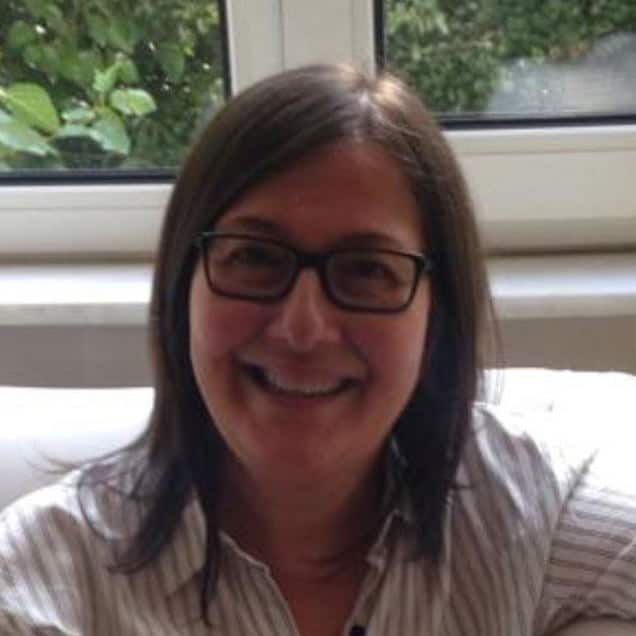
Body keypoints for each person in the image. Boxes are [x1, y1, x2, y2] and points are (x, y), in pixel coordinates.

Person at [1, 64, 635, 636]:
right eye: (254, 257)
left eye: (366, 270)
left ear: (436, 313)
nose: (302, 329)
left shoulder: (540, 512)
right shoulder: (45, 581)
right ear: (181, 286)